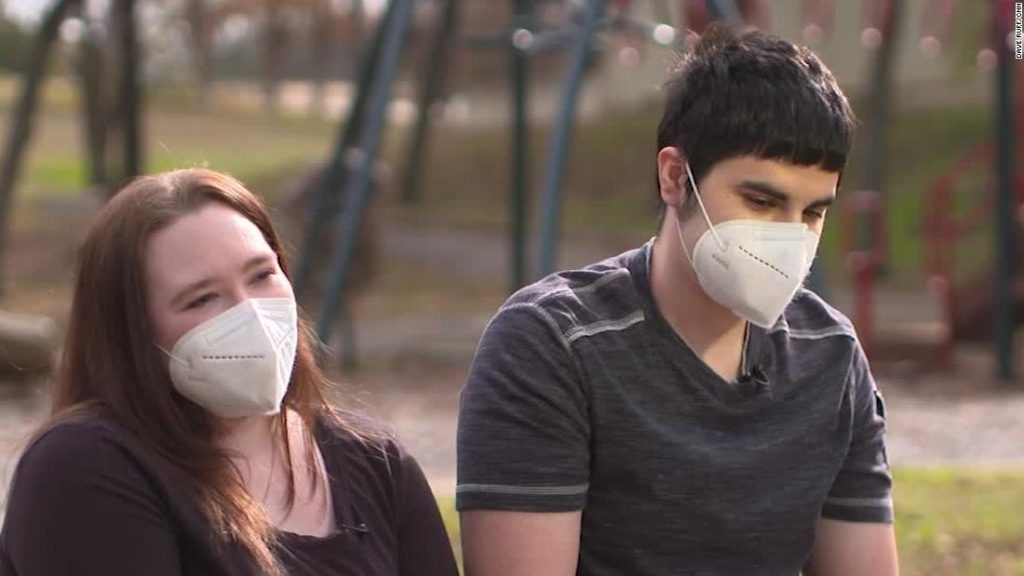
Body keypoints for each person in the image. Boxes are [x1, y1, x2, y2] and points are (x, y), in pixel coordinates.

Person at [457, 24, 899, 576]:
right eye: (761, 201)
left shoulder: (829, 353)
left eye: (812, 212)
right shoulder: (553, 345)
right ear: (674, 177)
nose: (791, 237)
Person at [0, 169, 459, 576]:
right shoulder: (86, 466)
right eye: (202, 298)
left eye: (261, 275)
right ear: (132, 334)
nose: (250, 312)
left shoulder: (377, 464)